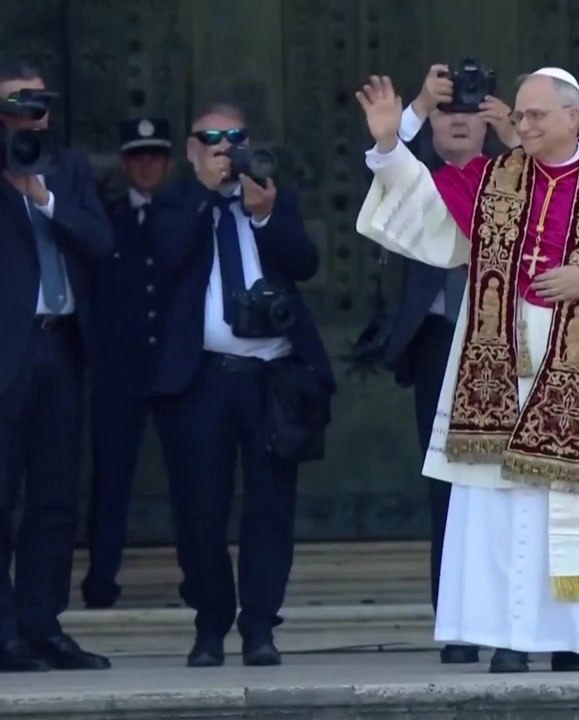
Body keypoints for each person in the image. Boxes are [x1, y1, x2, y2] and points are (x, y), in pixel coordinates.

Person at [355, 67, 579, 673]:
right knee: (503, 511)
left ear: (572, 118)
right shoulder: (490, 180)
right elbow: (423, 212)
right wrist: (387, 147)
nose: (519, 126)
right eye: (519, 115)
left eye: (534, 116)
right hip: (498, 371)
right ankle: (510, 635)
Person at [148, 101, 335, 668]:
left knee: (270, 508)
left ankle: (259, 625)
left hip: (272, 377)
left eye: (235, 137)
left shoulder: (273, 194)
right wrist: (209, 194)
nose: (224, 147)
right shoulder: (176, 202)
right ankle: (210, 625)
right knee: (200, 509)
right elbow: (167, 255)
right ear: (191, 149)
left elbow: (304, 263)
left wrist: (265, 216)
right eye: (211, 138)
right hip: (202, 378)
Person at [382, 67, 516, 665]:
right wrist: (413, 107)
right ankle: (458, 624)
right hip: (439, 345)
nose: (457, 122)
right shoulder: (416, 183)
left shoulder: (513, 179)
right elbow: (381, 162)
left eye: (469, 113)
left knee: (510, 488)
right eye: (445, 113)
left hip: (509, 351)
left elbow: (564, 191)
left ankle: (514, 622)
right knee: (448, 491)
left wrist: (517, 134)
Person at [0, 60, 113, 673]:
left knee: (54, 498)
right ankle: (3, 634)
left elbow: (100, 241)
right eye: (16, 104)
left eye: (38, 102)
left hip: (60, 347)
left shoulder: (64, 168)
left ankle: (42, 626)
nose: (30, 114)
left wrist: (43, 199)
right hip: (5, 353)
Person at [81, 117, 180, 610]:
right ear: (125, 164)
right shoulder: (108, 220)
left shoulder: (183, 217)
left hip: (173, 371)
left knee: (191, 481)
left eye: (155, 156)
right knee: (111, 480)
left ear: (168, 162)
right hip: (119, 373)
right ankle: (100, 581)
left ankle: (200, 582)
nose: (146, 166)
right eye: (137, 157)